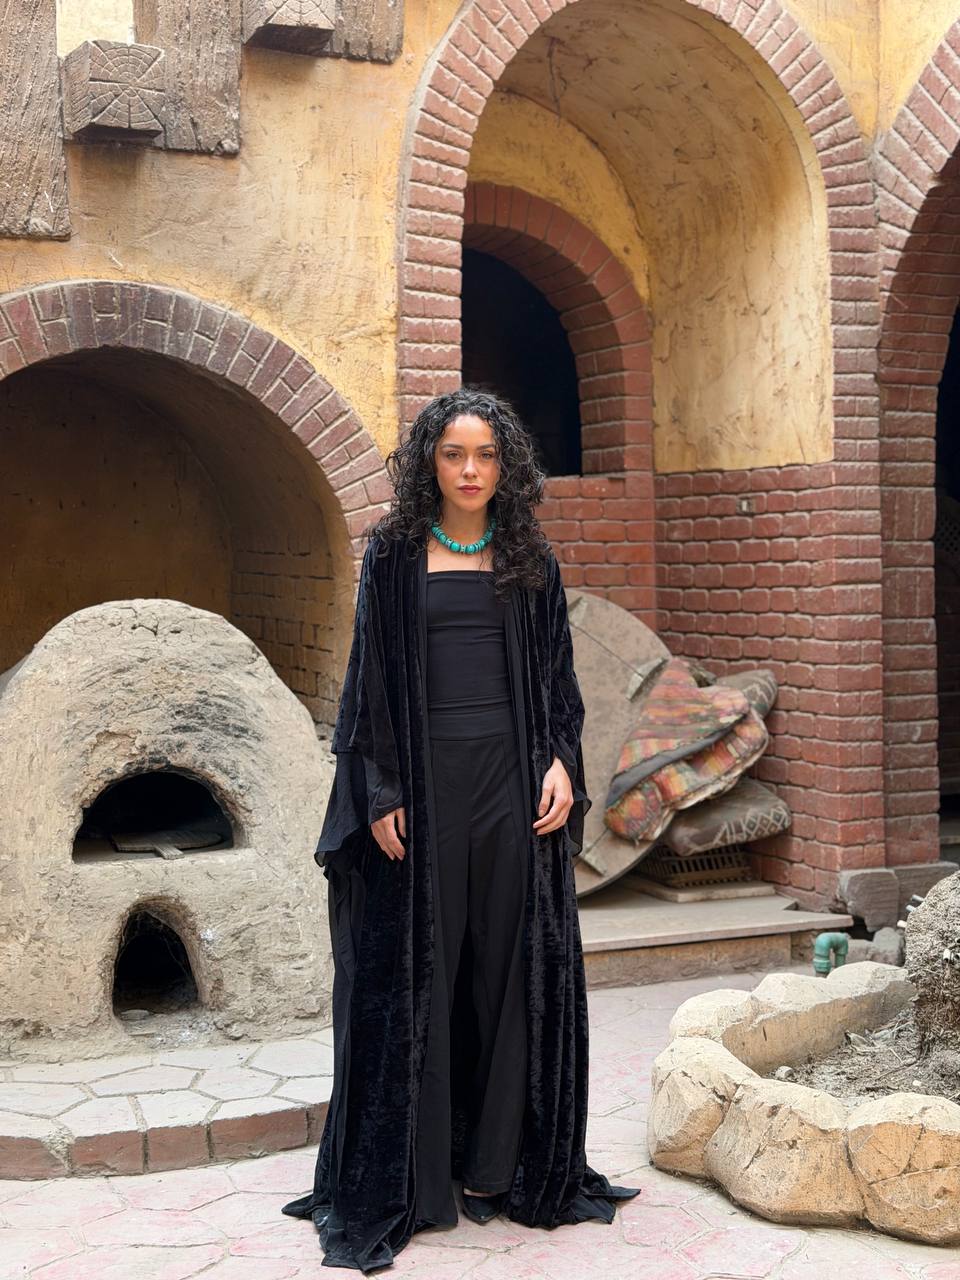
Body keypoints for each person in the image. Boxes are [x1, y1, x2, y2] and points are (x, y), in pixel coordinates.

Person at [282, 387, 639, 1271]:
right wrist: (381, 789)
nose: (471, 470)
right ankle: (419, 1171)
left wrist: (561, 761)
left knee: (507, 969)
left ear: (506, 464)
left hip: (513, 785)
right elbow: (369, 682)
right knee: (426, 970)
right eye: (454, 455)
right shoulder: (395, 554)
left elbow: (557, 681)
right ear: (429, 463)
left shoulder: (530, 556)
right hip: (425, 786)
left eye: (485, 455)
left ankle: (498, 1166)